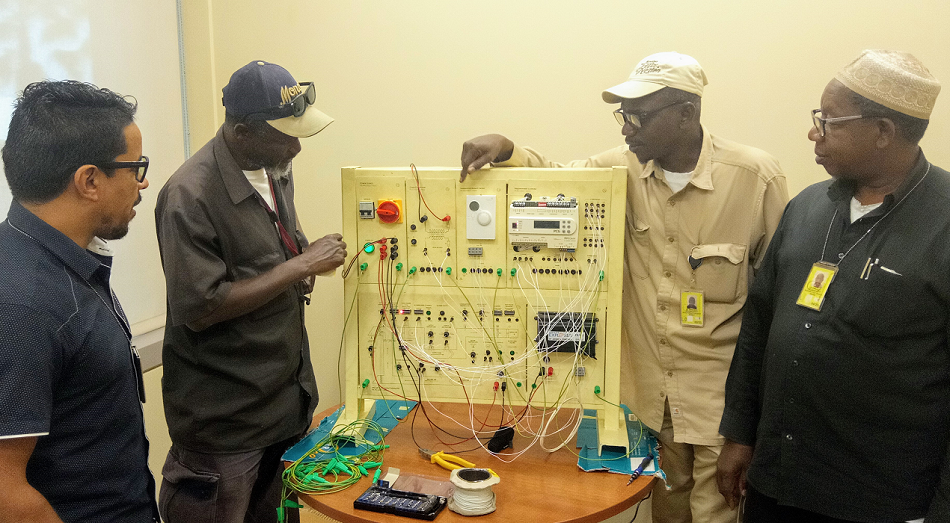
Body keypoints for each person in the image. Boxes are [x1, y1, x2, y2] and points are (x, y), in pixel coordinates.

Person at [460, 52, 787, 523]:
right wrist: (509, 148)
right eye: (623, 115)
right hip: (655, 401)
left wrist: (750, 429)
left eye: (638, 116)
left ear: (686, 114)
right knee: (668, 513)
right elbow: (556, 176)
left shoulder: (755, 179)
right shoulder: (620, 170)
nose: (625, 128)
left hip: (722, 405)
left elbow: (776, 307)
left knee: (717, 516)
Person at [717, 49, 949, 522]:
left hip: (879, 499)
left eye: (828, 121)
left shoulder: (944, 219)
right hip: (776, 481)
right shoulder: (806, 207)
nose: (813, 133)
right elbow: (758, 327)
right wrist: (740, 436)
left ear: (883, 131)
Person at [155, 61, 347, 522]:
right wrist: (300, 264)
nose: (297, 147)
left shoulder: (272, 164)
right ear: (241, 131)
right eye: (285, 135)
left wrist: (298, 254)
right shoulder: (188, 195)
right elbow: (200, 307)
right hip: (228, 424)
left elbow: (277, 234)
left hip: (285, 403)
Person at [0, 80, 157, 521]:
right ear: (89, 180)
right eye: (135, 167)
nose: (142, 183)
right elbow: (5, 490)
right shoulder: (23, 301)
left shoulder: (59, 262)